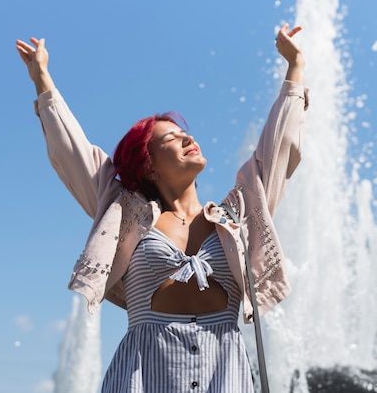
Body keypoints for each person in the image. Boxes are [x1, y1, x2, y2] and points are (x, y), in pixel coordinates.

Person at [16, 24, 309, 393]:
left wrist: (295, 67)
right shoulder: (124, 212)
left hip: (226, 377)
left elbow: (277, 151)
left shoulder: (237, 214)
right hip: (142, 376)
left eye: (186, 132)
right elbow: (75, 156)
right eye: (171, 138)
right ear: (148, 164)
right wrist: (42, 77)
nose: (188, 137)